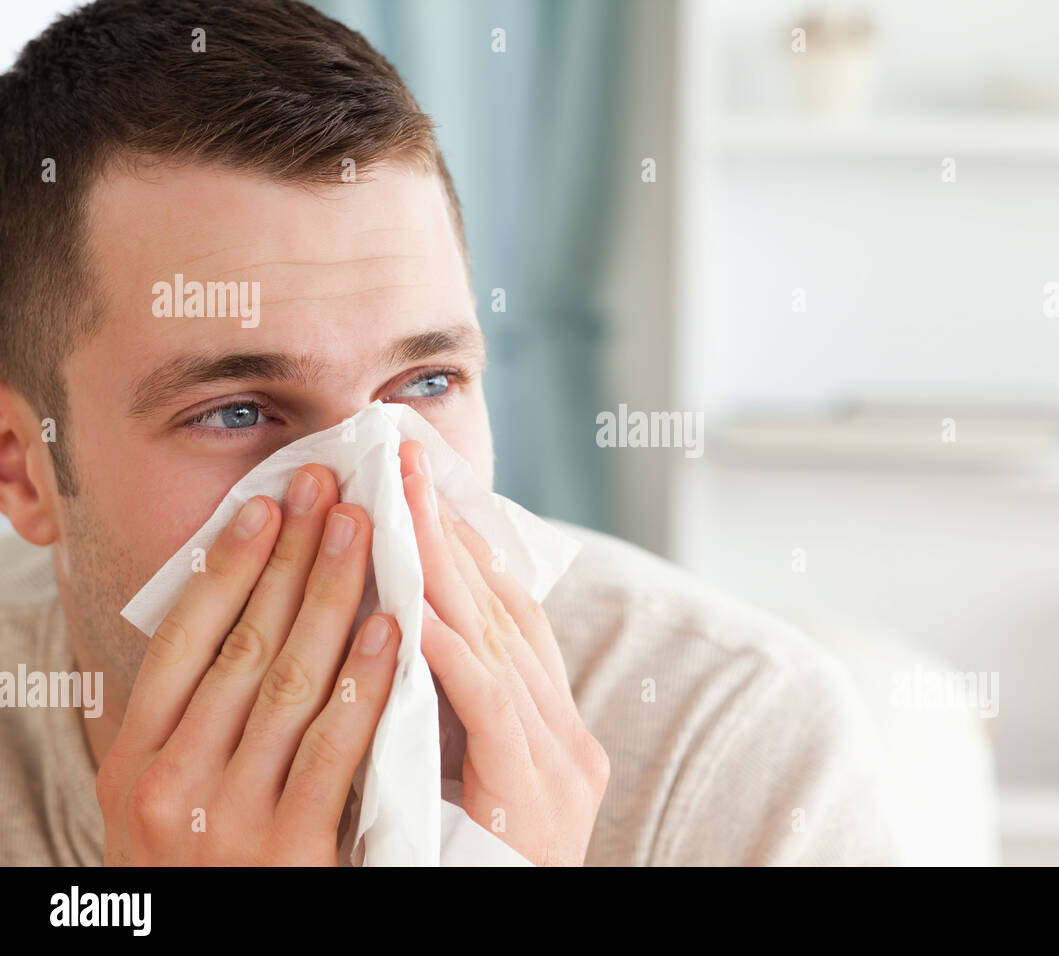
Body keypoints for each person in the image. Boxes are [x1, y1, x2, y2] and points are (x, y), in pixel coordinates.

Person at [0, 0, 900, 866]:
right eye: (236, 411)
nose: (374, 496)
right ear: (25, 472)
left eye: (427, 384)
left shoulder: (735, 752)